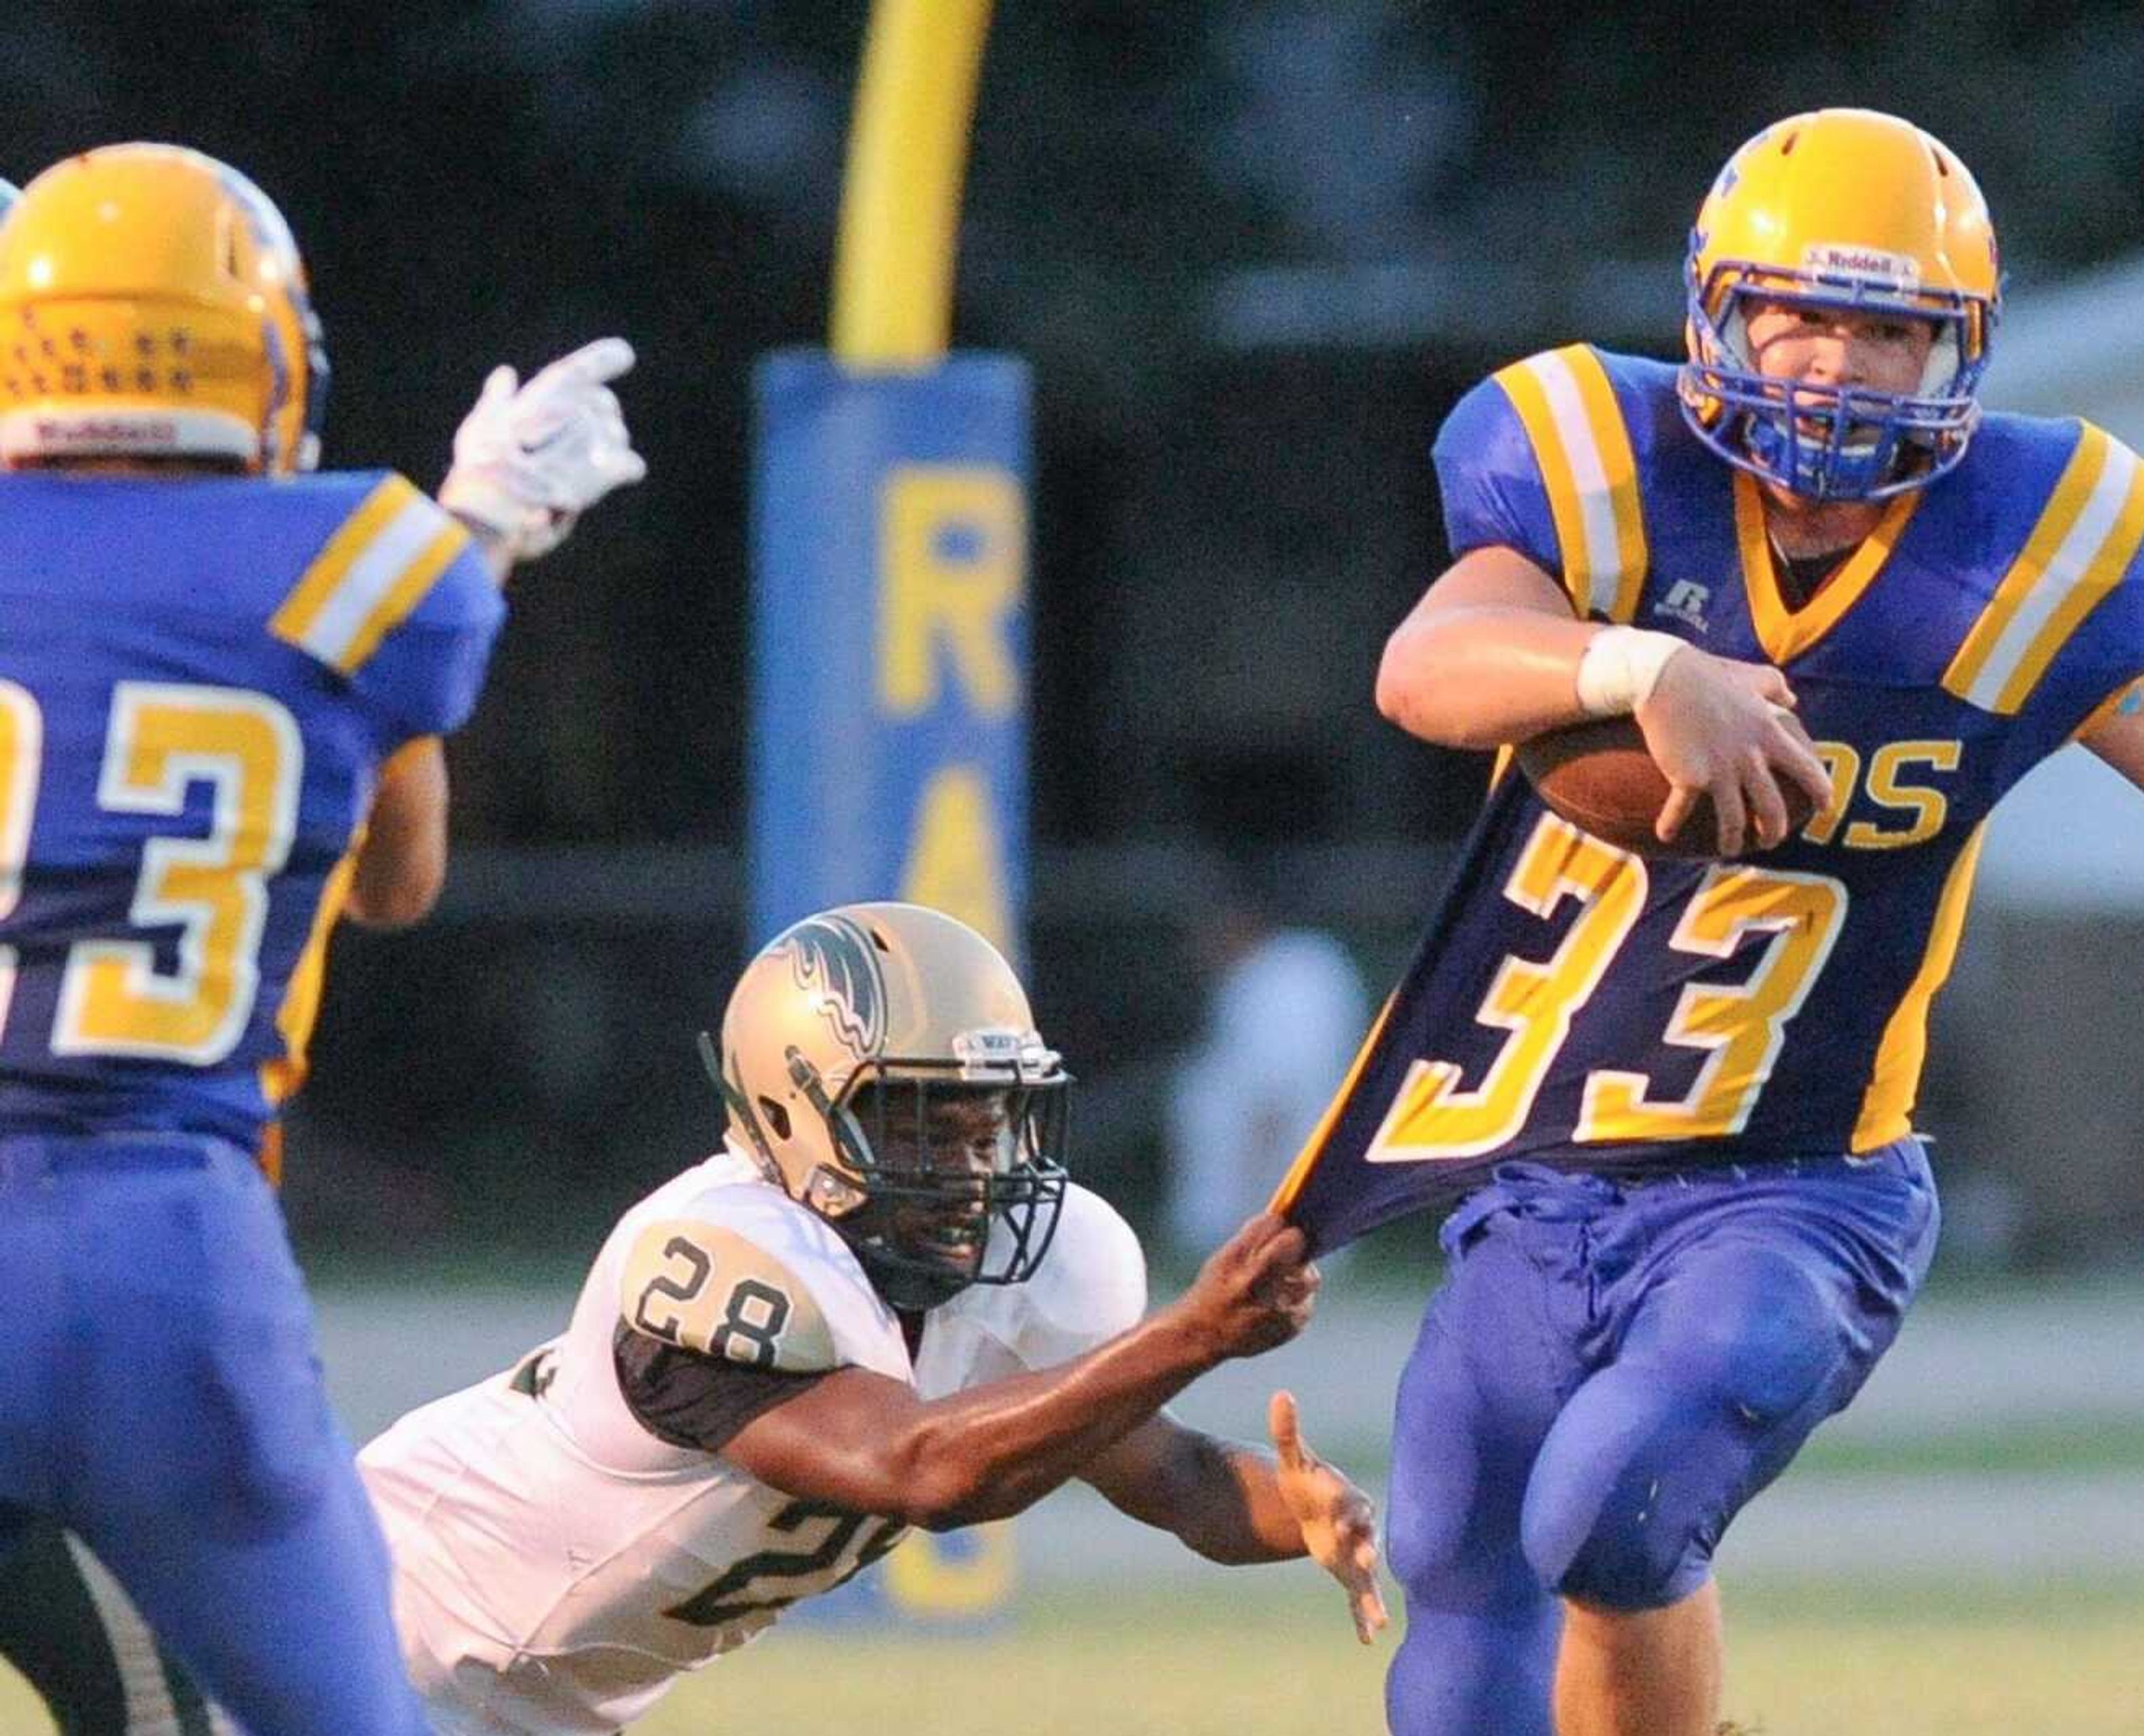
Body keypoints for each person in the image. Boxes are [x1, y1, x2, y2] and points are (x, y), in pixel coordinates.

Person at [1273, 108, 2144, 1736]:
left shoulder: (2024, 551)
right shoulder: (1599, 480)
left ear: (1956, 353)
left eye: (1884, 326)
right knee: (1460, 1563)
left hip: (1799, 1188)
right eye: (1797, 312)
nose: (1832, 363)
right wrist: (1644, 668)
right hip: (1543, 1173)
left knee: (1611, 1504)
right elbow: (1422, 670)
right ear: (1713, 311)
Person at [0, 143, 642, 1735]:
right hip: (163, 1241)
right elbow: (399, 855)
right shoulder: (357, 569)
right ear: (259, 351)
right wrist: (481, 515)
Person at [346, 901, 1380, 1733]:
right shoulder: (710, 1257)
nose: (971, 1166)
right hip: (362, 1633)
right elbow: (922, 1471)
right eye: (924, 1127)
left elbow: (1178, 1479)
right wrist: (1195, 1331)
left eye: (989, 1121)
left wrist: (1333, 1512)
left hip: (543, 1704)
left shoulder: (1019, 1273)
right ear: (796, 1111)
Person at [1164, 857, 1369, 1256]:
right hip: (1306, 1128)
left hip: (1282, 1135)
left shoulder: (1284, 977)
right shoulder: (1302, 965)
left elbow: (1274, 1085)